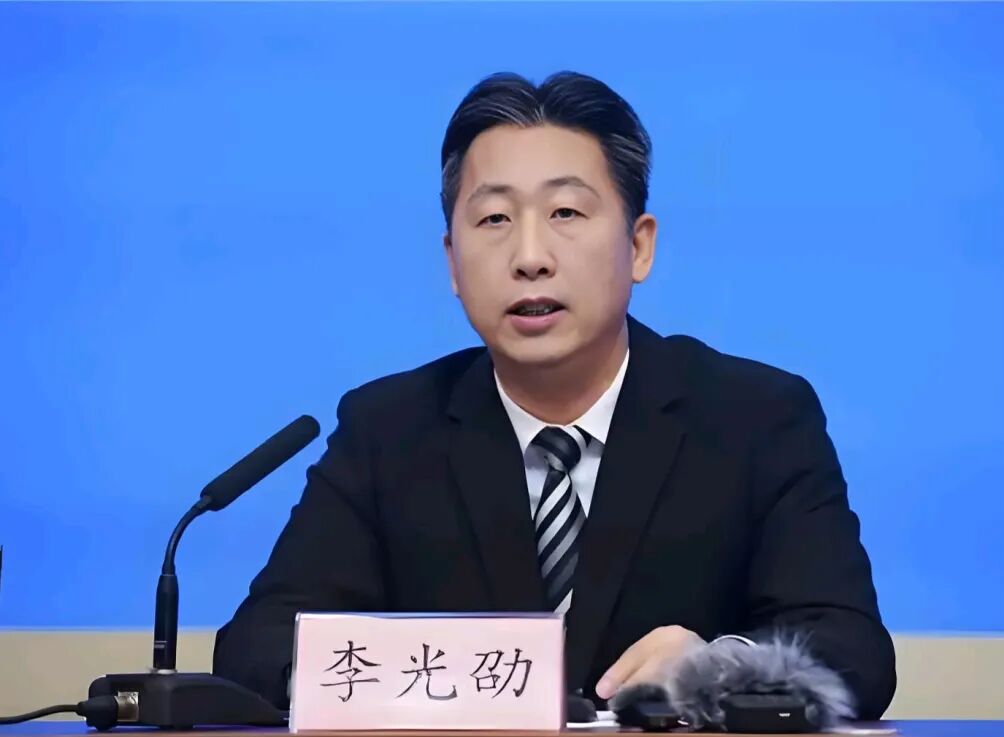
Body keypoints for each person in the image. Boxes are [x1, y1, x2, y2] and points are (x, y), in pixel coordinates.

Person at [212, 70, 897, 718]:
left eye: (566, 211)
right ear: (452, 263)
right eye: (494, 219)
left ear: (639, 247)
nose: (530, 256)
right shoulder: (387, 430)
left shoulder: (755, 418)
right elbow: (255, 646)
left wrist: (716, 669)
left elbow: (853, 649)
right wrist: (433, 682)